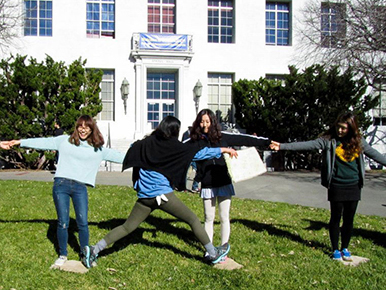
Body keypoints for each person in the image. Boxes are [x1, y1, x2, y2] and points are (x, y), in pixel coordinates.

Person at [82, 116, 238, 268]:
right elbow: (198, 154)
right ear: (175, 131)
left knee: (127, 227)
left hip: (145, 197)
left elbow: (130, 150)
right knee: (192, 220)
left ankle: (94, 249)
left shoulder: (144, 143)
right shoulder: (175, 147)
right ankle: (213, 253)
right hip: (163, 196)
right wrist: (223, 149)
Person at [7, 115, 126, 266]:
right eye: (80, 127)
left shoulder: (97, 149)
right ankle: (62, 255)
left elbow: (120, 156)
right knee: (63, 222)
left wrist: (144, 154)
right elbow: (43, 142)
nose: (83, 130)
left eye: (87, 127)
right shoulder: (64, 140)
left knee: (82, 222)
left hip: (79, 187)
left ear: (92, 130)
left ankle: (86, 255)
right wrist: (19, 142)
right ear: (77, 128)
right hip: (61, 185)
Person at [269, 111, 386, 261]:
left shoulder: (359, 142)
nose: (340, 130)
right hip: (336, 184)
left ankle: (345, 247)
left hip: (354, 185)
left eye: (344, 128)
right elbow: (308, 144)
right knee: (336, 217)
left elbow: (376, 155)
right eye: (338, 127)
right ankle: (335, 249)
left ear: (351, 128)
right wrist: (283, 146)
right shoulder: (329, 140)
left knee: (349, 219)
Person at [184, 109, 271, 258]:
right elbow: (178, 149)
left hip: (223, 181)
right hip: (207, 183)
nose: (205, 124)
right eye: (202, 121)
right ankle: (209, 250)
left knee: (224, 217)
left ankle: (224, 249)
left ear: (212, 122)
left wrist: (267, 142)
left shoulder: (222, 137)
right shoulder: (194, 141)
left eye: (207, 121)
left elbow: (245, 139)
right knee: (208, 218)